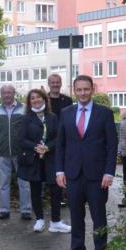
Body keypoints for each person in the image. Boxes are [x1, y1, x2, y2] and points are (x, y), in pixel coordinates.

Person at [55, 75, 118, 250]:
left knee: (99, 218)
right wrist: (59, 170)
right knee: (76, 216)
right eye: (79, 89)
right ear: (74, 90)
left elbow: (111, 146)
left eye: (86, 89)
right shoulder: (66, 113)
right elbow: (60, 145)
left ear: (92, 89)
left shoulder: (105, 113)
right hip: (73, 174)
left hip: (98, 175)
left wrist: (109, 172)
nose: (83, 93)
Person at [17, 89, 71, 233]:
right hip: (34, 160)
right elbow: (21, 140)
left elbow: (59, 137)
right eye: (32, 98)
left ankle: (55, 221)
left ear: (44, 99)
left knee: (56, 190)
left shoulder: (52, 117)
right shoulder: (26, 118)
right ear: (29, 102)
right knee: (35, 190)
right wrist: (36, 147)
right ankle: (39, 220)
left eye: (38, 97)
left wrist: (47, 147)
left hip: (51, 158)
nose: (35, 100)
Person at [0, 84, 32, 220]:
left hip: (21, 152)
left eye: (9, 92)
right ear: (1, 95)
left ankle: (26, 210)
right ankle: (4, 210)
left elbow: (31, 130)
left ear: (14, 93)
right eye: (4, 93)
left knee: (24, 182)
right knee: (3, 183)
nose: (7, 95)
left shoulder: (24, 108)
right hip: (2, 152)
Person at [47, 73, 73, 207]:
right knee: (52, 168)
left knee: (66, 166)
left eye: (58, 82)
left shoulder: (67, 100)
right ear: (49, 84)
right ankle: (54, 196)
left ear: (61, 83)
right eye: (53, 82)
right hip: (49, 139)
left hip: (66, 138)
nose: (55, 84)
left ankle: (66, 194)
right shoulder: (44, 99)